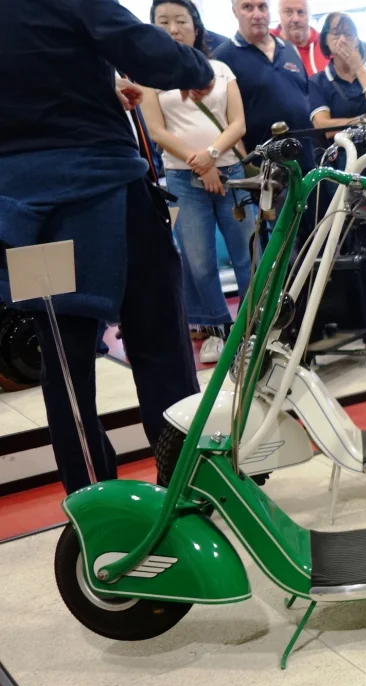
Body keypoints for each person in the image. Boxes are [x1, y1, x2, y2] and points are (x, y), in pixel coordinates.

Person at [0, 0, 212, 493]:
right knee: (158, 342)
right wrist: (198, 68)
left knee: (64, 362)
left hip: (26, 214)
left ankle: (92, 503)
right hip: (104, 194)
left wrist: (92, 85)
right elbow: (146, 50)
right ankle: (186, 490)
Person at [142, 0, 255, 363]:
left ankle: (255, 327)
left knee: (248, 254)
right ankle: (217, 329)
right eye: (163, 22)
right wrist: (201, 163)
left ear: (196, 26)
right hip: (182, 178)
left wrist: (212, 154)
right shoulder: (148, 76)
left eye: (181, 20)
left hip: (232, 174)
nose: (173, 29)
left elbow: (238, 123)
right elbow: (157, 131)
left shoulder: (220, 69)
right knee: (199, 261)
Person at [215, 0, 315, 169]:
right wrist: (246, 167)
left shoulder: (288, 49)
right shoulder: (223, 58)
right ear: (235, 11)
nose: (257, 15)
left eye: (262, 7)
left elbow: (306, 100)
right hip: (262, 167)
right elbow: (221, 121)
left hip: (305, 161)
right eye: (248, 7)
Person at [307, 12, 366, 136]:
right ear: (325, 39)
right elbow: (323, 127)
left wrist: (359, 69)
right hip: (340, 148)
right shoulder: (318, 82)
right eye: (336, 33)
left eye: (349, 34)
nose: (342, 40)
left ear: (357, 40)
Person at [271, 0, 329, 74]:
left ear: (309, 14)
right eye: (288, 12)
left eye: (300, 12)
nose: (296, 19)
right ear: (279, 15)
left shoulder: (327, 44)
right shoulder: (267, 43)